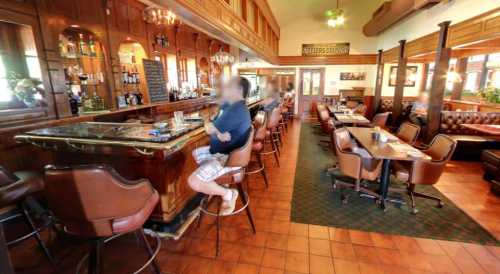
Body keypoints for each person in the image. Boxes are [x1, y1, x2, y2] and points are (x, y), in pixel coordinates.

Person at [187, 77, 252, 215]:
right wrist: (213, 126)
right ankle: (215, 183)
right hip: (224, 153)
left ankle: (228, 193)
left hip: (227, 159)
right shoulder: (232, 106)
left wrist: (211, 126)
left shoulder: (237, 110)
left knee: (193, 181)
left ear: (238, 90)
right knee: (195, 152)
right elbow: (213, 119)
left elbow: (209, 127)